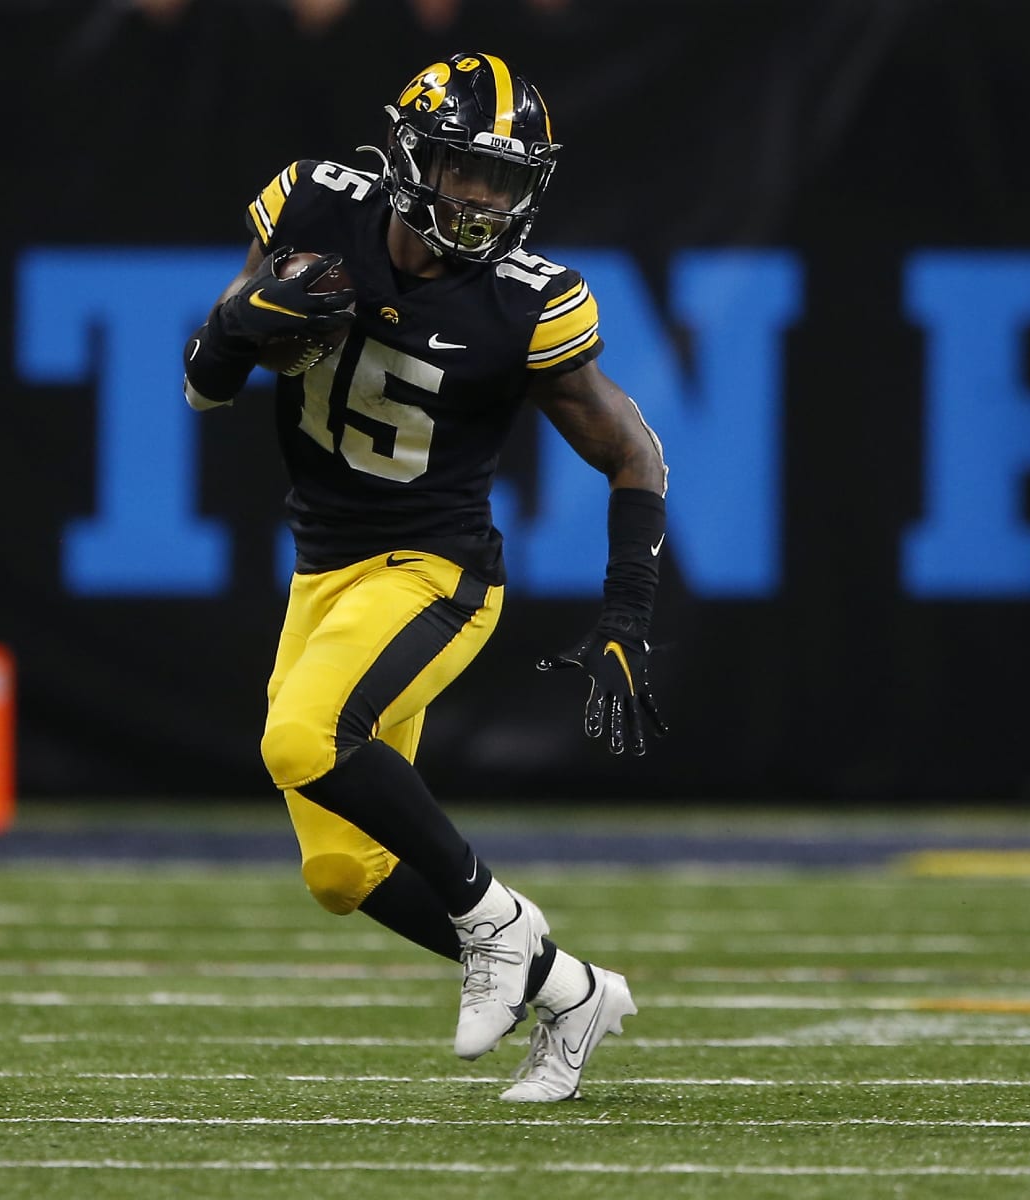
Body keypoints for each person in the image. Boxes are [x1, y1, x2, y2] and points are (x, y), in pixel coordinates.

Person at [181, 52, 668, 1101]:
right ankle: (572, 989)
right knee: (342, 871)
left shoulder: (528, 302)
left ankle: (499, 925)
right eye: (464, 171)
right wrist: (237, 326)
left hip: (435, 569)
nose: (485, 199)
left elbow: (635, 452)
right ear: (411, 157)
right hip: (325, 566)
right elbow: (203, 383)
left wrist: (627, 610)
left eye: (505, 179)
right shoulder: (312, 207)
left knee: (302, 740)